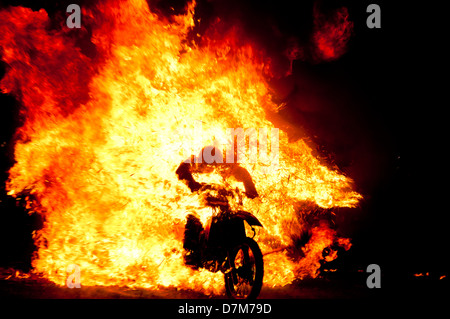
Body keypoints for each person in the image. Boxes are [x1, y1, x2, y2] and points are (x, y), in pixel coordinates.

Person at [175, 145, 258, 199]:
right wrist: (193, 185)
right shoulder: (194, 161)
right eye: (206, 164)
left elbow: (243, 173)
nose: (209, 167)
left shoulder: (224, 166)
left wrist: (250, 192)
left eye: (213, 164)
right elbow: (180, 171)